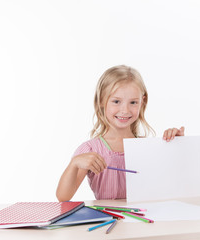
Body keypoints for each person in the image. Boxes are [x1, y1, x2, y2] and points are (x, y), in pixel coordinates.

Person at [56, 65, 184, 201]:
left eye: (133, 102)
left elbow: (174, 183)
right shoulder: (91, 150)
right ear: (101, 101)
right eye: (116, 101)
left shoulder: (147, 147)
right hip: (110, 220)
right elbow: (63, 197)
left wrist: (177, 145)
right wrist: (74, 164)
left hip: (145, 219)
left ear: (142, 102)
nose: (125, 110)